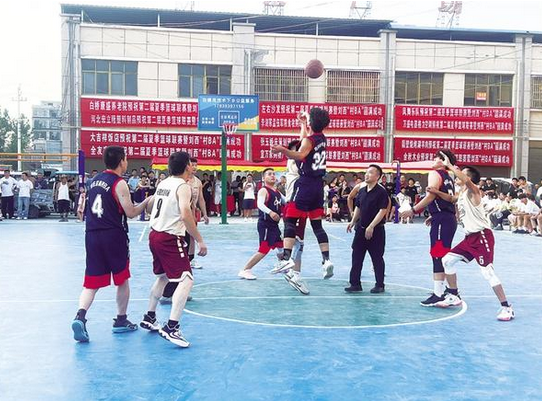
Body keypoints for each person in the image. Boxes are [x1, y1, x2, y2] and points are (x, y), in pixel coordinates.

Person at [71, 146, 152, 343]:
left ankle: (80, 316)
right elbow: (131, 212)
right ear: (121, 161)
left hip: (92, 234)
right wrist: (147, 202)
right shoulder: (119, 183)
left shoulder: (93, 181)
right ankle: (121, 320)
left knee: (91, 282)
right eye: (126, 159)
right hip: (113, 235)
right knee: (122, 278)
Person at [426, 162, 515, 321]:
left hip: (482, 237)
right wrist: (436, 193)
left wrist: (449, 165)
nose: (457, 174)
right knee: (447, 260)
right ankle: (454, 295)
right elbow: (451, 198)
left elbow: (466, 181)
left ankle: (506, 307)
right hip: (469, 238)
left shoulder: (474, 191)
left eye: (462, 173)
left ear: (468, 178)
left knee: (487, 272)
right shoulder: (462, 194)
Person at [140, 151, 207, 347]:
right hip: (170, 237)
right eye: (191, 163)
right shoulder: (183, 186)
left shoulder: (164, 183)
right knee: (186, 279)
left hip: (155, 234)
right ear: (187, 166)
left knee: (163, 277)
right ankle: (172, 327)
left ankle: (150, 316)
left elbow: (150, 206)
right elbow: (186, 214)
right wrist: (200, 240)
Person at [271, 107, 334, 279]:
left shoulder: (308, 142)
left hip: (305, 185)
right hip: (318, 187)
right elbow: (305, 140)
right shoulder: (322, 139)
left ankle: (286, 259)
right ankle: (326, 260)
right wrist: (304, 123)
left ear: (312, 122)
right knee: (317, 225)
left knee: (290, 220)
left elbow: (300, 154)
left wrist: (283, 150)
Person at [400, 150, 458, 307]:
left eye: (437, 157)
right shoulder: (449, 177)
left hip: (443, 219)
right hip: (447, 218)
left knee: (438, 255)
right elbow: (445, 199)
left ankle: (440, 294)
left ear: (444, 161)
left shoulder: (435, 173)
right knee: (442, 254)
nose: (434, 159)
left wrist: (413, 210)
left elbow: (431, 195)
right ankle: (448, 291)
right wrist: (435, 214)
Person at [345, 165, 389, 293]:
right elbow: (358, 207)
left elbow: (382, 210)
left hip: (376, 230)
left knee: (377, 258)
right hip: (361, 228)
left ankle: (380, 284)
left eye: (370, 173)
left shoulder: (381, 192)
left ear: (377, 176)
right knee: (356, 256)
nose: (367, 175)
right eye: (366, 172)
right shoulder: (362, 190)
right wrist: (353, 221)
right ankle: (355, 284)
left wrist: (371, 226)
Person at [238, 168, 285, 280]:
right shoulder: (263, 190)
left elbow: (287, 201)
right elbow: (260, 204)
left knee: (281, 245)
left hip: (274, 225)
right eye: (269, 174)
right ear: (263, 178)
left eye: (274, 174)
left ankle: (282, 264)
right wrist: (270, 212)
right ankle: (245, 270)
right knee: (264, 249)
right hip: (266, 225)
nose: (272, 176)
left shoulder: (277, 192)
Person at [279, 137, 309, 295]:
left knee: (300, 242)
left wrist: (304, 126)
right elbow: (302, 144)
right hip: (293, 205)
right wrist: (304, 128)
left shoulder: (301, 166)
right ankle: (290, 270)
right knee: (296, 242)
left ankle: (295, 272)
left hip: (301, 205)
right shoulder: (294, 163)